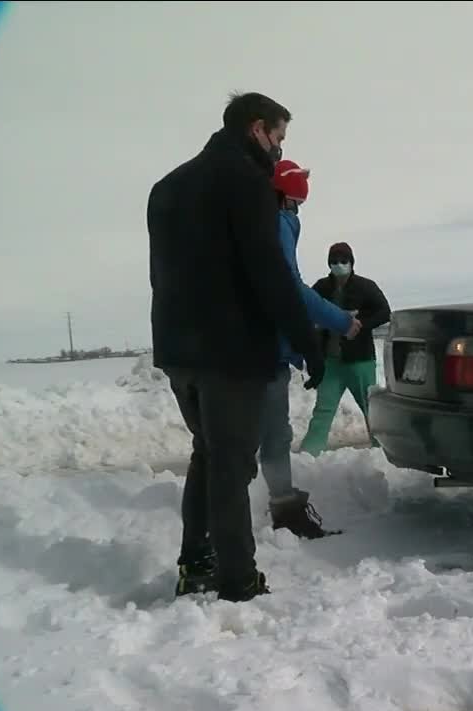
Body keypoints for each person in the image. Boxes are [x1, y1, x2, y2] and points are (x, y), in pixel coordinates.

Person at [147, 91, 324, 603]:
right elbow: (268, 273)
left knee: (209, 454)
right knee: (232, 465)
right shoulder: (246, 182)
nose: (279, 149)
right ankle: (237, 579)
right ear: (257, 129)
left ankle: (196, 561)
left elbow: (165, 274)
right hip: (230, 350)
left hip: (180, 350)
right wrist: (307, 341)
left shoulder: (167, 186)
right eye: (279, 137)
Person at [259, 159, 361, 539]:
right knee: (271, 434)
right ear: (288, 198)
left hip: (258, 349)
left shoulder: (257, 219)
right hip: (262, 353)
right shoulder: (277, 221)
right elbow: (291, 289)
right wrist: (340, 321)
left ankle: (278, 503)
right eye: (297, 204)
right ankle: (281, 510)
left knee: (267, 434)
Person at [299, 242, 391, 455]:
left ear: (351, 262)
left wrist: (359, 323)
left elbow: (384, 312)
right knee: (323, 411)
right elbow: (308, 312)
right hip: (331, 362)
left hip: (360, 361)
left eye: (343, 261)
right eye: (334, 261)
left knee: (371, 410)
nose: (338, 265)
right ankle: (307, 457)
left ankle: (385, 453)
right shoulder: (321, 287)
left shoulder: (366, 287)